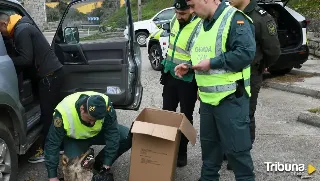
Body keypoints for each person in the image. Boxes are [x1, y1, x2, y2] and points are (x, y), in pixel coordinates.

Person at [175, 0, 256, 180]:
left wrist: (212, 63)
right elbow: (204, 55)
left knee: (237, 154)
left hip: (231, 99)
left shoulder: (235, 19)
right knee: (210, 152)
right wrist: (190, 66)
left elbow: (245, 53)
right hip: (207, 100)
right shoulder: (201, 25)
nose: (191, 11)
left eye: (193, 5)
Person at [0, 12, 65, 163]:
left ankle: (49, 151)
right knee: (53, 114)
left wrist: (8, 60)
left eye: (0, 30)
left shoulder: (21, 31)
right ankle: (60, 146)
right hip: (53, 74)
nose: (1, 34)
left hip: (50, 77)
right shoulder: (23, 26)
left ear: (3, 24)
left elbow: (26, 59)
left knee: (48, 116)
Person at [225, 0, 281, 170]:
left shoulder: (261, 18)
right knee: (227, 112)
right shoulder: (228, 14)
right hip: (228, 74)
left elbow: (273, 50)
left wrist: (261, 65)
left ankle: (241, 156)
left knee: (246, 114)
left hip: (250, 75)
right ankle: (227, 150)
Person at [44, 91, 132, 181]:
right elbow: (52, 144)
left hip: (98, 133)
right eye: (90, 119)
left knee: (127, 136)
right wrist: (52, 176)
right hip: (77, 139)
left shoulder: (105, 105)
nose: (92, 123)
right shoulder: (63, 113)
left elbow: (112, 133)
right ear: (82, 109)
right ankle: (83, 158)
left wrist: (107, 162)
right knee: (73, 171)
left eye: (96, 119)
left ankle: (100, 164)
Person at [160, 0, 201, 167]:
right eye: (177, 13)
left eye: (182, 13)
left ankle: (181, 154)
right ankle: (167, 150)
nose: (179, 17)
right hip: (170, 75)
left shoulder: (200, 26)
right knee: (167, 114)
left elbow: (200, 55)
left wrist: (190, 69)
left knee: (185, 117)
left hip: (187, 80)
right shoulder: (173, 20)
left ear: (191, 10)